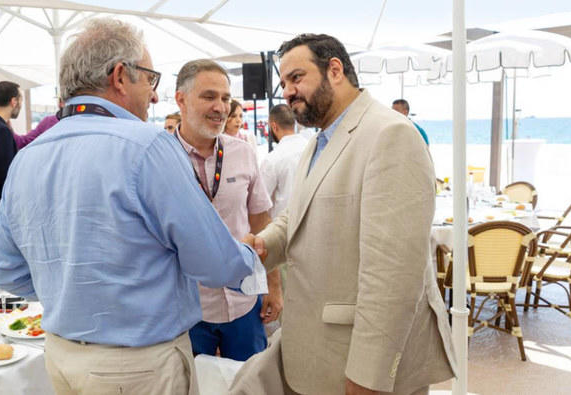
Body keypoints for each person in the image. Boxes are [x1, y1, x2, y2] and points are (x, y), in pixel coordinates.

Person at [0, 19, 259, 395]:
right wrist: (250, 255)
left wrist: (72, 291)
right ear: (119, 76)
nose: (152, 96)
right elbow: (214, 263)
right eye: (150, 79)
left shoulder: (27, 158)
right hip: (136, 367)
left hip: (61, 357)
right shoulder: (148, 146)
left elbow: (5, 272)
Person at [231, 34, 456, 395]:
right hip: (317, 353)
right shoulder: (319, 141)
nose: (287, 92)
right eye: (284, 82)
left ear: (334, 70)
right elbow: (298, 215)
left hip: (360, 367)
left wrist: (369, 377)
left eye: (296, 77)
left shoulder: (391, 134)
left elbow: (394, 276)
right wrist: (264, 244)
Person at [174, 59, 281, 361]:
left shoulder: (243, 152)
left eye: (225, 98)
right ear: (180, 99)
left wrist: (273, 286)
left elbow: (262, 223)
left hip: (245, 299)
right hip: (188, 309)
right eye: (209, 96)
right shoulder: (159, 157)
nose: (220, 107)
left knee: (251, 383)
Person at [260, 104, 309, 219]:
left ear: (274, 127)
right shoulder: (311, 147)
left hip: (282, 228)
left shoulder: (272, 160)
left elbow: (261, 203)